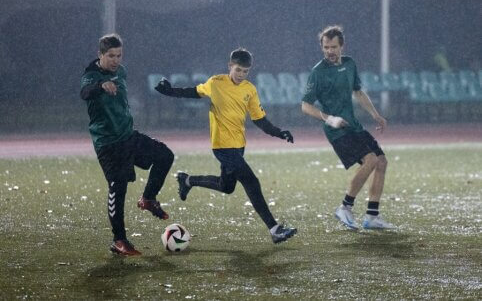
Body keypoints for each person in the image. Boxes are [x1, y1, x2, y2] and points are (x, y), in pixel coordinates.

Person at [155, 48, 297, 243]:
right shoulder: (216, 83)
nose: (241, 75)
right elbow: (193, 92)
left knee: (226, 186)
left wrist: (279, 132)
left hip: (238, 146)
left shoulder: (249, 89)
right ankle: (274, 229)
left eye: (245, 71)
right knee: (251, 181)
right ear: (230, 66)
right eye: (238, 70)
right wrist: (169, 91)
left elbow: (260, 119)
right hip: (222, 146)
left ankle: (187, 180)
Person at [80, 34, 174, 256]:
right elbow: (84, 93)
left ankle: (148, 198)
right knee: (118, 187)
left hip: (128, 137)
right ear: (100, 55)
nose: (115, 60)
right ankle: (119, 240)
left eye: (119, 55)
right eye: (111, 56)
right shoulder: (91, 75)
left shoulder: (121, 71)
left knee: (165, 155)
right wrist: (101, 86)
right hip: (108, 144)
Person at [301, 25, 395, 230]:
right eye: (326, 47)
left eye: (333, 47)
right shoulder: (318, 72)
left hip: (353, 126)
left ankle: (371, 216)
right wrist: (329, 118)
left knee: (381, 161)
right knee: (370, 160)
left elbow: (358, 92)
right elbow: (305, 106)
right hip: (336, 129)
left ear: (341, 46)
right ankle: (345, 207)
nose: (329, 51)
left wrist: (375, 115)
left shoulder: (350, 64)